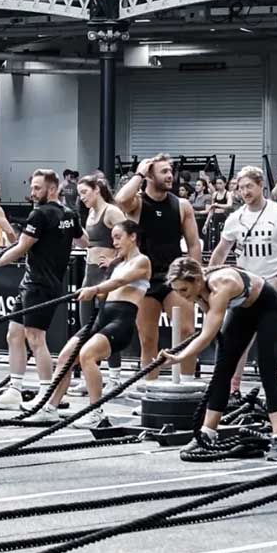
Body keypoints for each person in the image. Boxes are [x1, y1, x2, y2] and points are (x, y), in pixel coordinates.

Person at [159, 259, 277, 461]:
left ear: (196, 281)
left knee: (268, 372)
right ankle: (208, 433)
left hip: (269, 308)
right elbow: (210, 327)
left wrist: (179, 357)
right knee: (222, 370)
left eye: (184, 290)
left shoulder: (221, 286)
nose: (181, 296)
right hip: (242, 311)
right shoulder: (198, 290)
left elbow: (206, 335)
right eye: (177, 291)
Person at [210, 166, 277, 411]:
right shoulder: (235, 218)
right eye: (240, 187)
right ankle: (234, 391)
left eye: (249, 186)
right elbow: (221, 250)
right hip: (247, 290)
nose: (245, 191)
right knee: (237, 343)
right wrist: (210, 276)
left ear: (261, 186)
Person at [0, 169, 84, 410]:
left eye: (37, 188)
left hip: (40, 285)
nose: (32, 193)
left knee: (36, 338)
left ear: (53, 189)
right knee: (14, 334)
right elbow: (83, 239)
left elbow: (21, 247)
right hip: (33, 282)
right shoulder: (70, 214)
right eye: (32, 187)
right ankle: (14, 389)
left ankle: (46, 392)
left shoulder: (41, 214)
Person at [27, 220, 150, 426]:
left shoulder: (142, 261)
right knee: (66, 356)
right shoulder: (118, 264)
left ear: (133, 237)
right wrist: (99, 283)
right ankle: (51, 407)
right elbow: (107, 292)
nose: (115, 242)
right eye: (113, 238)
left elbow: (120, 283)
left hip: (121, 320)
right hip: (103, 317)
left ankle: (96, 412)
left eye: (118, 237)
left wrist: (95, 289)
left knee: (88, 355)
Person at [116, 154, 203, 383]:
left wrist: (196, 277)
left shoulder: (181, 205)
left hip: (175, 278)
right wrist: (139, 172)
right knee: (148, 339)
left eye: (170, 171)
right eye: (164, 171)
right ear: (149, 175)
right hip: (145, 280)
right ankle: (150, 388)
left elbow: (194, 244)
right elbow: (121, 199)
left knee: (186, 332)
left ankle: (187, 384)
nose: (170, 176)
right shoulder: (137, 204)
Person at [66, 175, 127, 398]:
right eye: (80, 193)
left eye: (85, 193)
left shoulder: (111, 212)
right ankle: (91, 374)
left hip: (106, 277)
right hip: (89, 275)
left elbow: (130, 242)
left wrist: (113, 261)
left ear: (97, 189)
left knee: (107, 328)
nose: (81, 198)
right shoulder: (90, 214)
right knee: (87, 328)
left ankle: (115, 379)